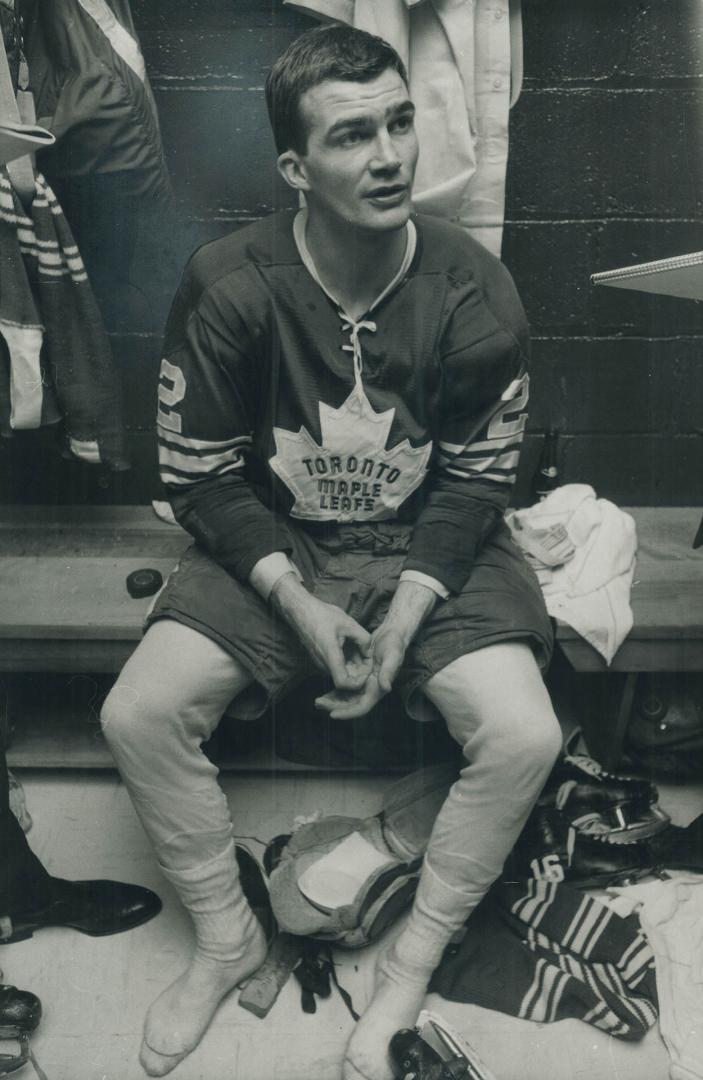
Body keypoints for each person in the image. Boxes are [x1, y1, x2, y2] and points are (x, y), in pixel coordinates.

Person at [100, 24, 562, 1080]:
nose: (391, 154)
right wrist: (298, 604)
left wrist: (404, 612)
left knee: (523, 732)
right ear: (295, 169)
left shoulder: (473, 289)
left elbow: (481, 478)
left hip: (429, 540)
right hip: (276, 538)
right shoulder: (231, 282)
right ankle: (228, 936)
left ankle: (408, 962)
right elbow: (200, 475)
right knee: (137, 712)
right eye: (354, 136)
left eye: (399, 123)